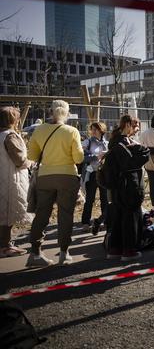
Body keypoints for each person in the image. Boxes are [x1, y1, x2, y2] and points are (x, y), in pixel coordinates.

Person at [26, 100, 84, 267]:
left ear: (50, 111)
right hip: (67, 176)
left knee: (42, 214)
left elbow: (31, 155)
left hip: (45, 176)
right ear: (66, 113)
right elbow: (78, 158)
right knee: (65, 214)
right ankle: (64, 253)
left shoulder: (39, 129)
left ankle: (35, 253)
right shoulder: (71, 131)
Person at [107, 115, 149, 262]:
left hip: (117, 186)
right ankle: (129, 250)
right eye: (135, 125)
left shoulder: (114, 141)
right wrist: (143, 150)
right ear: (127, 125)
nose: (136, 129)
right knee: (131, 217)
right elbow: (132, 163)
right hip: (129, 185)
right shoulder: (122, 143)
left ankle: (115, 248)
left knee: (119, 216)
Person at [0, 106, 32, 258]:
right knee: (7, 213)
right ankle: (5, 246)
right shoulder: (10, 136)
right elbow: (20, 160)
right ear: (13, 120)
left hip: (3, 175)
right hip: (10, 178)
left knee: (3, 212)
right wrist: (32, 163)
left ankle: (5, 244)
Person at [80, 122, 109, 235]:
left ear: (101, 130)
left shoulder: (106, 143)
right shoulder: (87, 142)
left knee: (105, 199)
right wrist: (95, 157)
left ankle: (105, 220)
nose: (93, 132)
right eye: (92, 129)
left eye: (96, 129)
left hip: (104, 174)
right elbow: (81, 157)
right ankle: (86, 222)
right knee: (90, 199)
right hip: (92, 174)